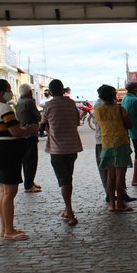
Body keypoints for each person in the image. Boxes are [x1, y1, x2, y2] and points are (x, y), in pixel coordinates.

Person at [0, 79, 39, 240]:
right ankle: (8, 230)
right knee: (10, 192)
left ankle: (6, 227)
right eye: (8, 89)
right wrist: (30, 129)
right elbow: (15, 131)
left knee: (4, 192)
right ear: (2, 92)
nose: (10, 92)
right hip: (8, 152)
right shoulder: (4, 108)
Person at [41, 78, 84, 226]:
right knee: (68, 179)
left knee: (64, 181)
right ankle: (67, 209)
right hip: (72, 148)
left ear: (51, 92)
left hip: (57, 150)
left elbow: (43, 122)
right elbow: (77, 122)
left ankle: (70, 213)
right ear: (63, 90)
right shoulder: (71, 104)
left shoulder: (48, 105)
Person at [94, 85, 134, 212]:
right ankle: (121, 203)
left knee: (110, 175)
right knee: (120, 175)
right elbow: (129, 124)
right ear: (113, 96)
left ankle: (112, 204)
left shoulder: (98, 111)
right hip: (121, 143)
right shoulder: (120, 109)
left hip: (106, 144)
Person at [14, 83, 42, 193]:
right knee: (31, 160)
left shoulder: (19, 102)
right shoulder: (29, 102)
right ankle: (29, 184)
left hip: (23, 133)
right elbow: (38, 116)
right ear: (30, 92)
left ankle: (29, 181)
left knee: (26, 160)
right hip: (30, 134)